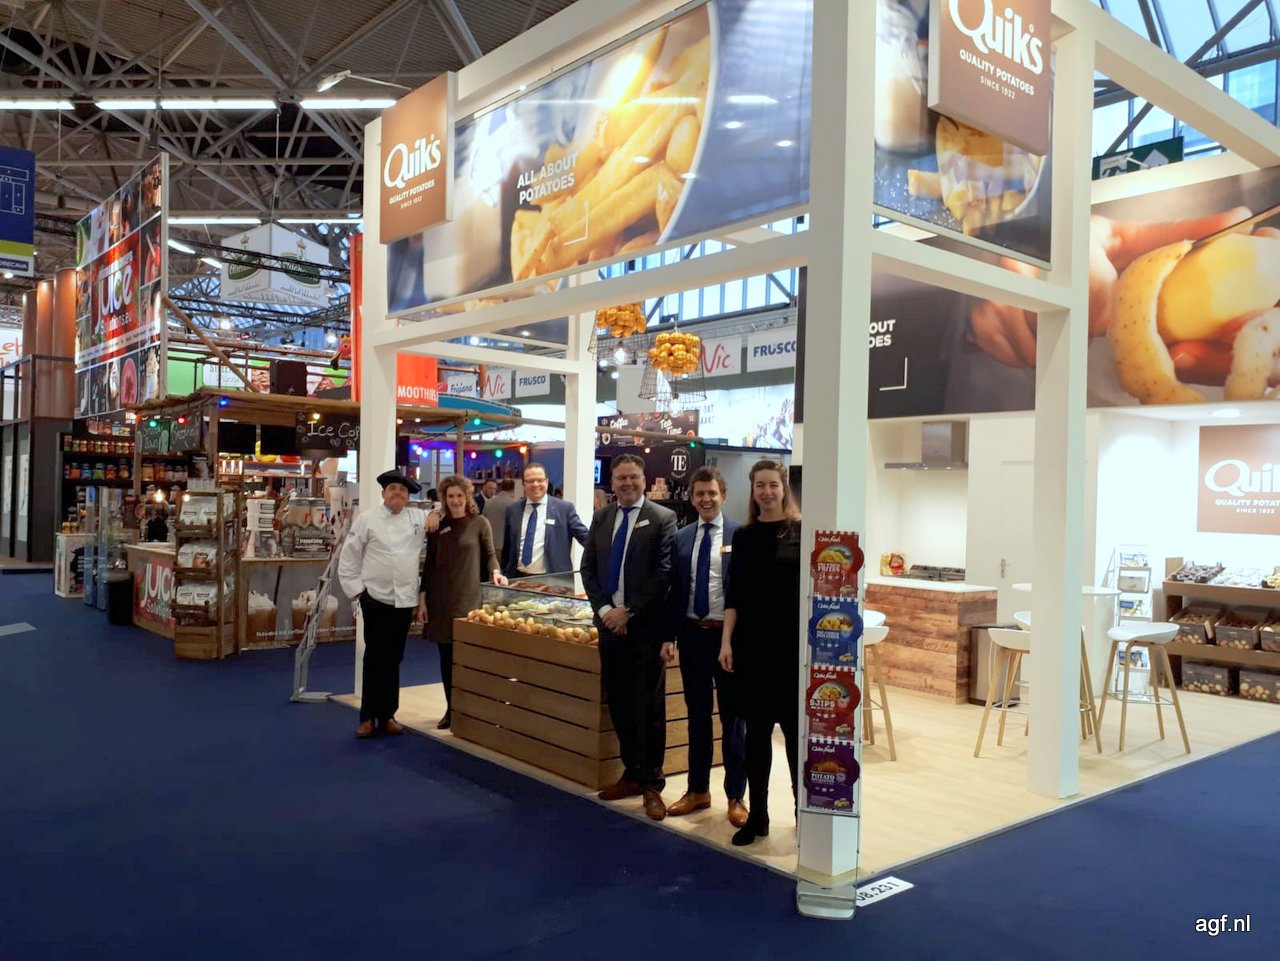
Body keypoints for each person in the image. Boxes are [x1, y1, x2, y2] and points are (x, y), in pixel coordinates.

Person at [582, 454, 677, 821]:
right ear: (612, 482)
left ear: (644, 479)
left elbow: (664, 574)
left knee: (649, 709)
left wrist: (629, 611)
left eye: (633, 477)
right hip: (610, 628)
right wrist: (607, 611)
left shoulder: (662, 518)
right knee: (620, 704)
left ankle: (653, 783)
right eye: (621, 478)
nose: (627, 483)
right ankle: (632, 774)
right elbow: (588, 568)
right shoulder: (602, 517)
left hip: (645, 630)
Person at [718, 459, 803, 846]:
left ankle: (804, 815)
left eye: (773, 485)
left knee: (795, 738)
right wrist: (726, 641)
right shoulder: (744, 535)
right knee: (755, 738)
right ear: (752, 491)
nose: (767, 492)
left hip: (789, 651)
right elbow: (734, 594)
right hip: (751, 649)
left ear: (784, 488)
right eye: (760, 486)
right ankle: (759, 817)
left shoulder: (802, 532)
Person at [666, 466, 748, 828]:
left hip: (728, 640)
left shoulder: (740, 536)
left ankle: (736, 796)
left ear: (723, 495)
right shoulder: (682, 538)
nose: (706, 499)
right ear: (691, 497)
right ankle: (697, 790)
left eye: (712, 493)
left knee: (733, 720)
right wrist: (670, 636)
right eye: (699, 493)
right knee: (697, 716)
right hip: (692, 636)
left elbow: (743, 592)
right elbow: (674, 590)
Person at [338, 470, 429, 739]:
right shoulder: (367, 519)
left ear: (408, 497)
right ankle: (367, 717)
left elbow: (442, 513)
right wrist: (359, 592)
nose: (397, 494)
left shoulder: (418, 517)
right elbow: (349, 557)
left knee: (394, 658)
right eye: (392, 489)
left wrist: (436, 513)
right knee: (374, 657)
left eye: (403, 491)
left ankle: (388, 715)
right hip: (375, 598)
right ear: (383, 494)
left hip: (405, 601)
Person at [418, 475, 507, 730]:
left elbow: (490, 555)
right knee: (447, 659)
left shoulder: (480, 523)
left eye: (460, 495)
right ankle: (451, 709)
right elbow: (429, 567)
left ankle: (474, 711)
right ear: (444, 499)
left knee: (470, 658)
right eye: (450, 496)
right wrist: (422, 601)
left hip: (470, 599)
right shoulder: (438, 527)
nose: (455, 500)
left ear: (467, 497)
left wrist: (496, 572)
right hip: (441, 601)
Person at [500, 463, 589, 580]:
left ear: (546, 481)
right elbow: (507, 549)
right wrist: (504, 575)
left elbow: (587, 539)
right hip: (518, 579)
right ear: (523, 484)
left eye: (540, 480)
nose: (535, 484)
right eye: (530, 481)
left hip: (555, 581)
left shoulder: (564, 509)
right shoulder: (513, 510)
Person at [482, 478, 517, 558]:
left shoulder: (488, 503)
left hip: (489, 545)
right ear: (513, 489)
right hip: (506, 547)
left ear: (501, 488)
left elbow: (482, 523)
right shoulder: (514, 505)